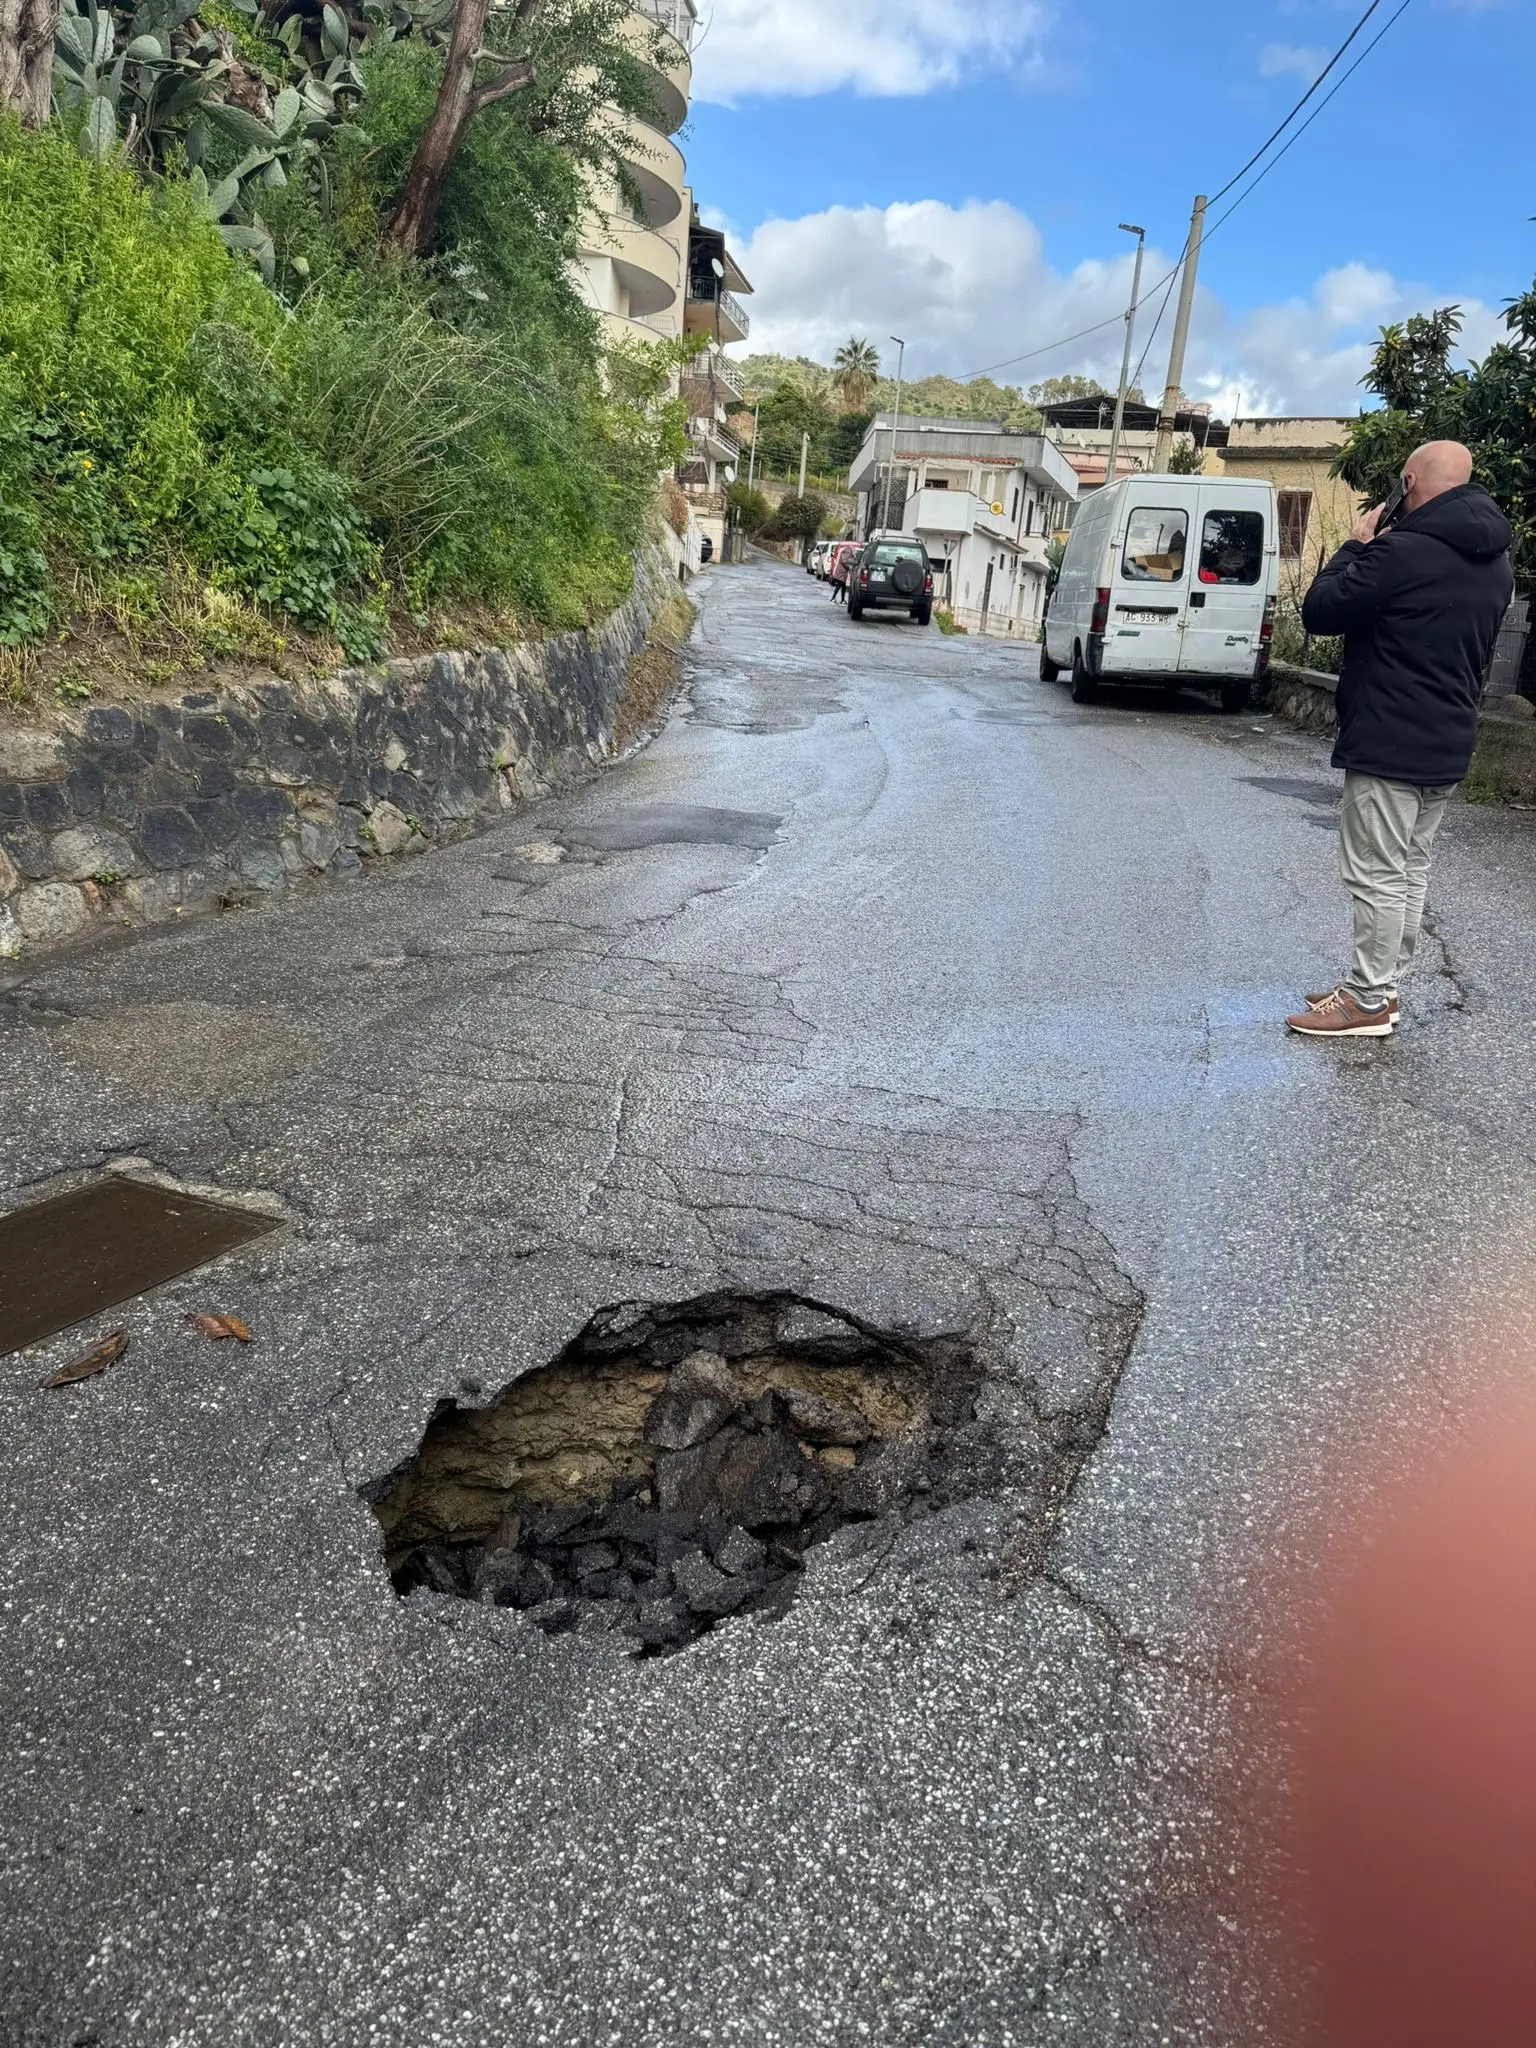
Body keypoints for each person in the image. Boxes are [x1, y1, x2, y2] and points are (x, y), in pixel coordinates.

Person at [1286, 441, 1513, 1038]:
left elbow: (1320, 610)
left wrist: (1356, 545)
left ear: (1408, 483)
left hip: (1389, 737)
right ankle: (1382, 988)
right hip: (1448, 738)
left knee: (1377, 873)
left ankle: (1365, 1001)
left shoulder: (1399, 551)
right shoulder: (1498, 563)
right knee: (1409, 868)